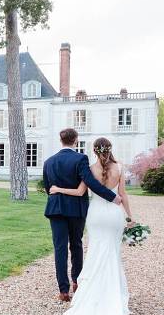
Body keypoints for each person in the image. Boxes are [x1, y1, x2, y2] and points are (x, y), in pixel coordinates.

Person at [48, 137, 136, 315]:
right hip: (114, 215)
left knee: (96, 252)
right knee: (112, 254)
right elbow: (122, 195)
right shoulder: (120, 168)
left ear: (95, 151)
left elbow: (79, 192)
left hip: (95, 215)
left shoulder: (89, 169)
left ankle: (91, 293)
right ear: (110, 149)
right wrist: (130, 216)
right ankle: (112, 294)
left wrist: (58, 189)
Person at [43, 128, 122, 304]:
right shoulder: (80, 159)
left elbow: (48, 187)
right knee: (76, 245)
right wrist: (112, 197)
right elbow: (91, 183)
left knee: (60, 248)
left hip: (55, 209)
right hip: (76, 210)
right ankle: (76, 282)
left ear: (60, 140)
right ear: (76, 141)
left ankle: (63, 290)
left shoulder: (48, 161)